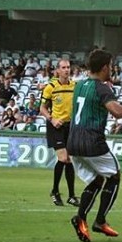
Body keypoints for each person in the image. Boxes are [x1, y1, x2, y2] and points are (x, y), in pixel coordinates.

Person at [67, 49, 122, 242]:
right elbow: (118, 112)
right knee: (114, 175)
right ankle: (100, 220)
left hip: (73, 142)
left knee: (97, 179)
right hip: (91, 142)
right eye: (112, 66)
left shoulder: (80, 85)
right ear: (105, 67)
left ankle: (81, 218)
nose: (113, 69)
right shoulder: (102, 88)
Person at [39, 59, 79, 207]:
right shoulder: (50, 87)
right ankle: (55, 191)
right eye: (63, 67)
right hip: (56, 126)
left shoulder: (75, 86)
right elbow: (42, 108)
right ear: (57, 70)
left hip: (70, 126)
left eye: (68, 67)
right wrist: (52, 119)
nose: (66, 70)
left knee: (69, 160)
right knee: (63, 158)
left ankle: (71, 195)